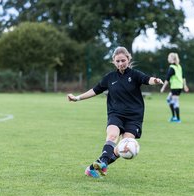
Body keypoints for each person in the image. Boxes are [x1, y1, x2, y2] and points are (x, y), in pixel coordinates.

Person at [67, 46, 163, 178]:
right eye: (117, 61)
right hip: (115, 114)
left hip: (134, 117)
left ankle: (93, 167)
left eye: (123, 60)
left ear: (128, 59)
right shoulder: (110, 77)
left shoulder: (135, 75)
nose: (120, 63)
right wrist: (77, 98)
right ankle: (102, 164)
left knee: (124, 148)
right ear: (114, 61)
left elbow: (147, 79)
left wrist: (155, 81)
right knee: (112, 136)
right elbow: (94, 90)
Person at [160, 52, 189, 123]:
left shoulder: (172, 67)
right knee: (169, 99)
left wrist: (163, 88)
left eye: (168, 57)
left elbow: (167, 79)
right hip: (179, 86)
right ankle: (174, 117)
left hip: (175, 87)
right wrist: (184, 86)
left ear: (172, 58)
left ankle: (178, 119)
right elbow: (183, 77)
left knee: (175, 102)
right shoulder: (179, 66)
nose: (167, 59)